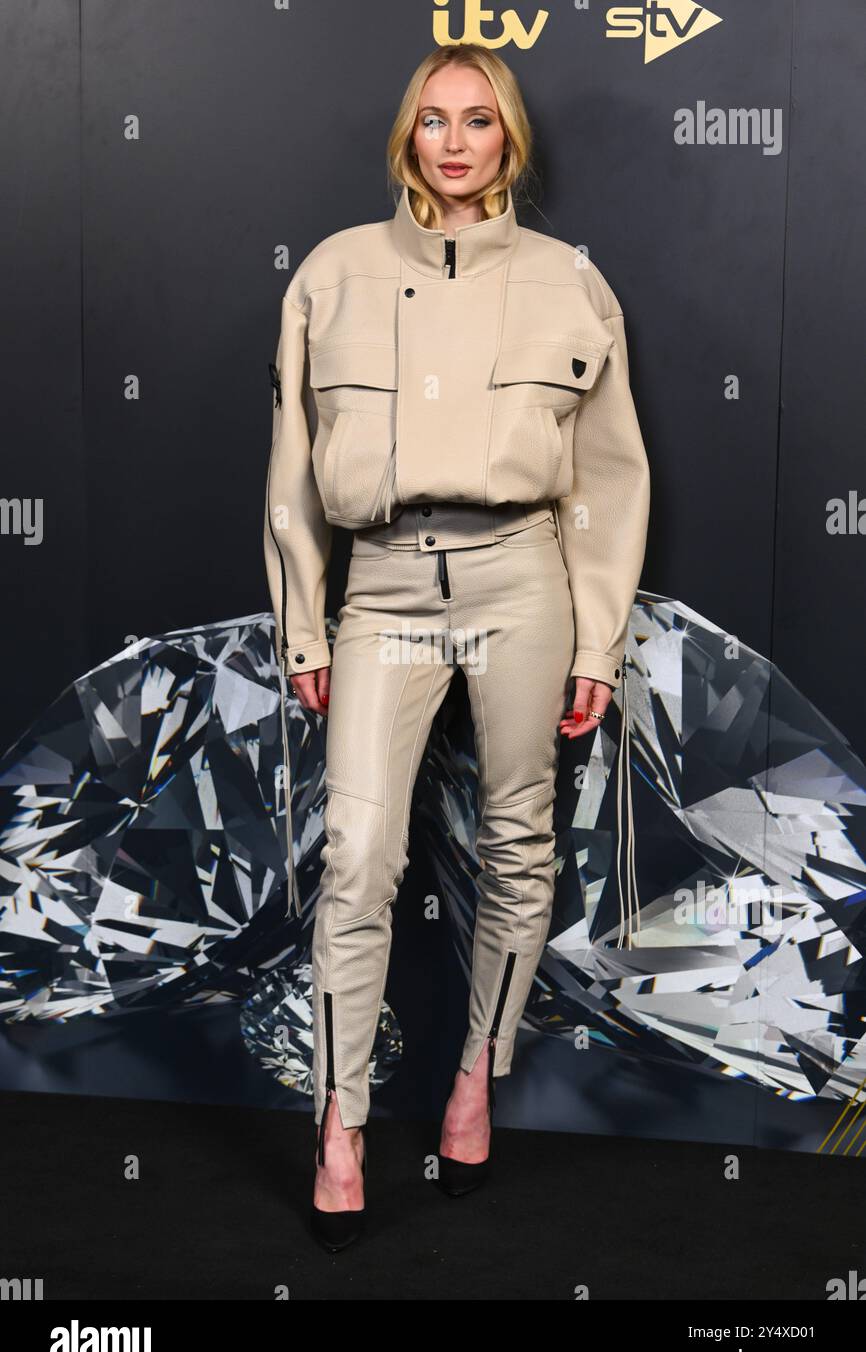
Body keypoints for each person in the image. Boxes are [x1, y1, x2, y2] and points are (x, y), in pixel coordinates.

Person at [263, 41, 651, 1251]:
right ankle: (341, 1123)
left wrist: (595, 644)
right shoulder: (329, 275)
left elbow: (608, 478)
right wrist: (301, 617)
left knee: (516, 840)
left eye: (476, 120)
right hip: (379, 584)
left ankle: (474, 1080)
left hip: (520, 575)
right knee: (358, 856)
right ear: (406, 136)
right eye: (432, 119)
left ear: (508, 140)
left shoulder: (568, 284)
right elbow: (288, 480)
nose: (452, 141)